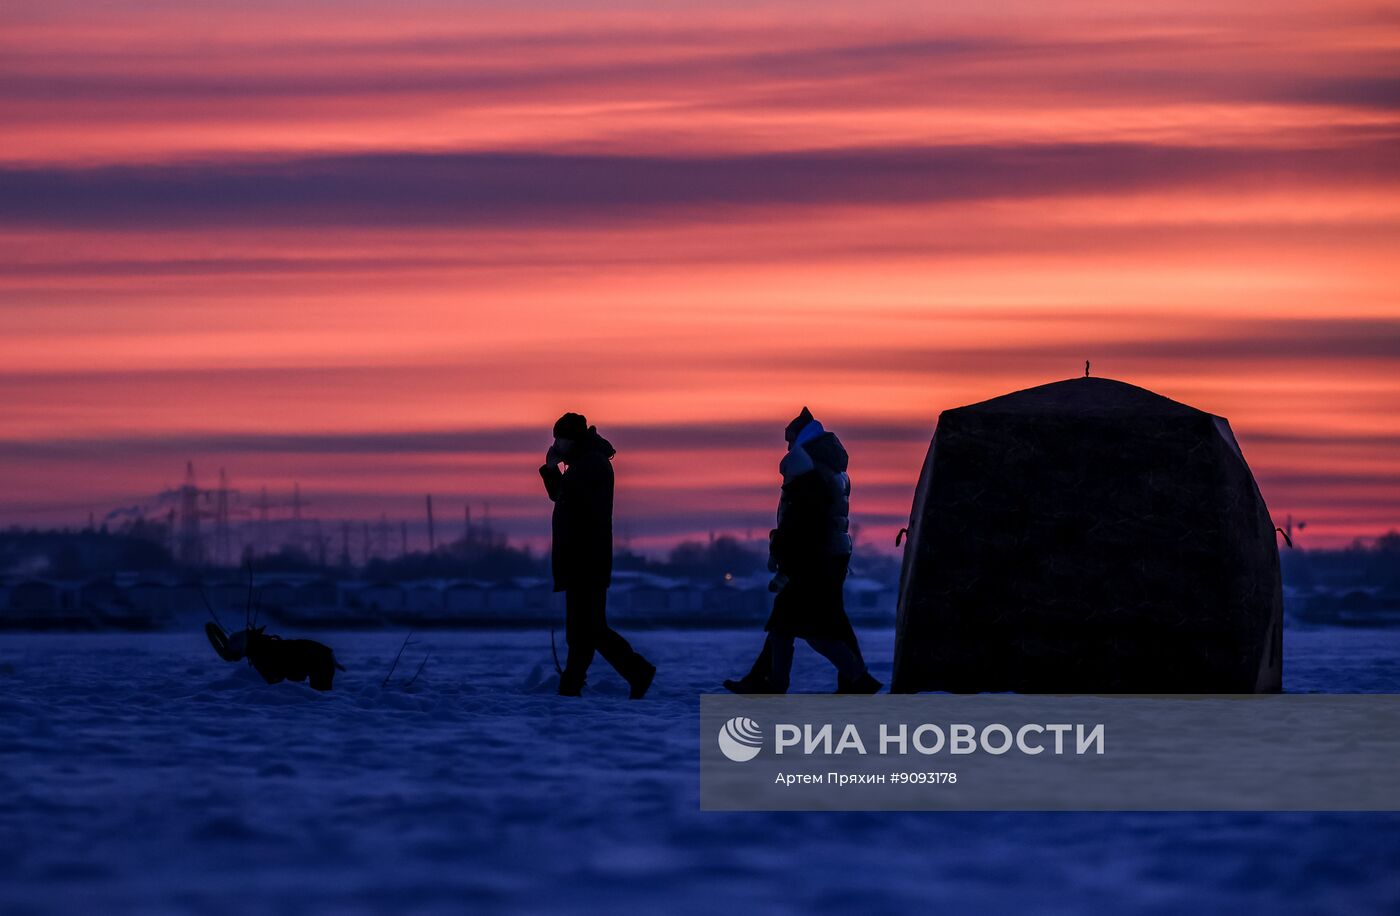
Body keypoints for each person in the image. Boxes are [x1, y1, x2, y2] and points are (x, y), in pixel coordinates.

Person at [724, 407, 881, 694]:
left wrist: (785, 562)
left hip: (812, 558)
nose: (786, 448)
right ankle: (771, 681)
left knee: (810, 627)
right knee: (803, 622)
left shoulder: (809, 473)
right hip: (828, 554)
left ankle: (857, 679)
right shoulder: (829, 467)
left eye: (789, 442)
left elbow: (801, 523)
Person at [541, 412, 655, 698]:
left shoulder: (592, 464)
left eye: (560, 439)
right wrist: (552, 469)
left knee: (589, 628)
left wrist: (557, 469)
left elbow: (573, 503)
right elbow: (561, 496)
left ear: (572, 439)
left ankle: (636, 670)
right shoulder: (581, 463)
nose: (556, 443)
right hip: (580, 558)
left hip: (586, 558)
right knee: (581, 631)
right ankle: (571, 685)